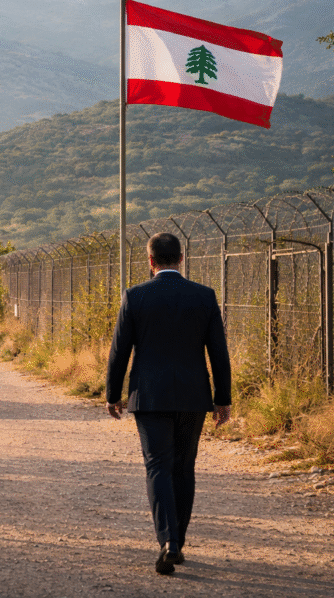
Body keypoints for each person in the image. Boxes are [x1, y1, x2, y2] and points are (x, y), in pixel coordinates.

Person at [105, 233, 231, 575]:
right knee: (184, 467)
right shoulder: (203, 296)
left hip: (149, 397)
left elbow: (119, 351)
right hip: (193, 396)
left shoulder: (135, 296)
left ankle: (168, 541)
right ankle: (179, 541)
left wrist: (113, 394)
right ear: (181, 257)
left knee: (158, 466)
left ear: (150, 261)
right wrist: (223, 399)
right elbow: (218, 352)